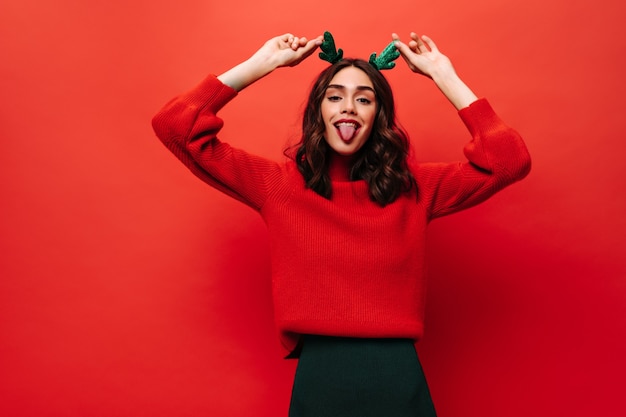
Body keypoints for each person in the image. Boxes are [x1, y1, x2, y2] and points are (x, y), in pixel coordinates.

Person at [152, 31, 531, 417]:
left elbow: (508, 161)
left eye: (363, 99)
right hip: (320, 380)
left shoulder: (414, 190)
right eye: (335, 96)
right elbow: (174, 126)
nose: (348, 108)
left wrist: (443, 75)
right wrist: (260, 65)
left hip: (398, 380)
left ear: (377, 116)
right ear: (318, 111)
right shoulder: (278, 186)